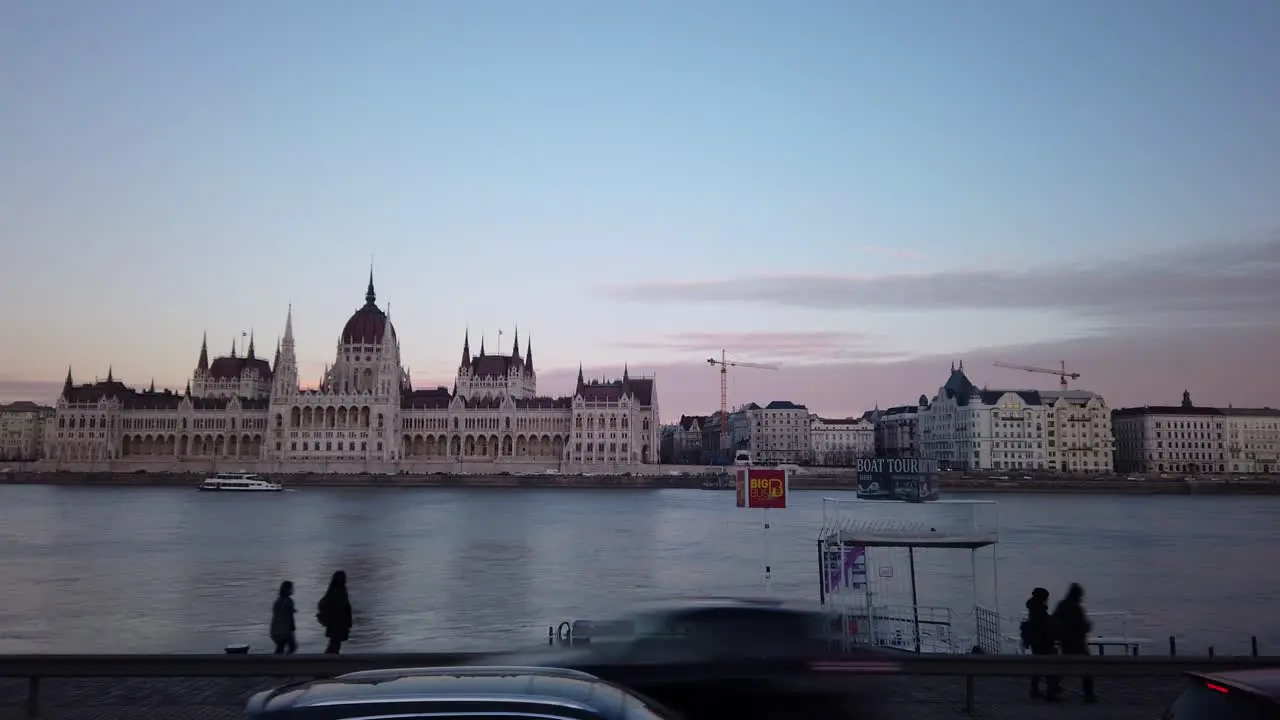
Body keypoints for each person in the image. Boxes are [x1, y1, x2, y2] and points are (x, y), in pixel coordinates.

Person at [1052, 582, 1096, 703]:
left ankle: (1055, 689)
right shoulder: (1076, 609)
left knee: (1066, 668)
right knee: (1087, 668)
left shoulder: (1061, 605)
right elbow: (1083, 626)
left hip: (1065, 643)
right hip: (1077, 643)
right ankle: (1089, 695)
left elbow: (1054, 621)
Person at [1021, 587, 1059, 700]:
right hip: (1044, 643)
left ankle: (1035, 690)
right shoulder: (1040, 612)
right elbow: (1045, 628)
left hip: (1035, 643)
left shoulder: (1033, 610)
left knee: (1037, 666)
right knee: (1051, 668)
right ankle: (1051, 693)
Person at [316, 570, 353, 654]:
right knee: (335, 642)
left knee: (334, 642)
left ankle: (329, 657)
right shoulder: (339, 591)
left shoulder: (333, 590)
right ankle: (329, 658)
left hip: (334, 622)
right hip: (338, 621)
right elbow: (343, 607)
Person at [270, 580, 298, 654]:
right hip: (285, 629)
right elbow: (289, 615)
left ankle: (279, 661)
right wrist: (293, 626)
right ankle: (284, 661)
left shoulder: (278, 601)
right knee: (292, 646)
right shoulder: (289, 601)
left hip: (275, 628)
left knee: (280, 647)